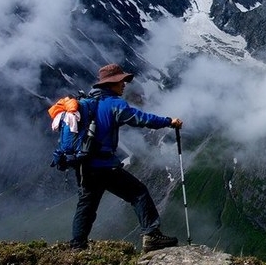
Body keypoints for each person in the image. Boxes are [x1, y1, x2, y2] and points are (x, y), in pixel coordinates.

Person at [70, 63, 183, 253]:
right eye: (121, 81)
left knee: (87, 205)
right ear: (111, 83)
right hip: (104, 165)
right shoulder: (114, 104)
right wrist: (168, 122)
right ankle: (152, 235)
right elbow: (140, 119)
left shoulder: (85, 104)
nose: (124, 85)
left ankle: (77, 246)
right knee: (138, 193)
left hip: (84, 165)